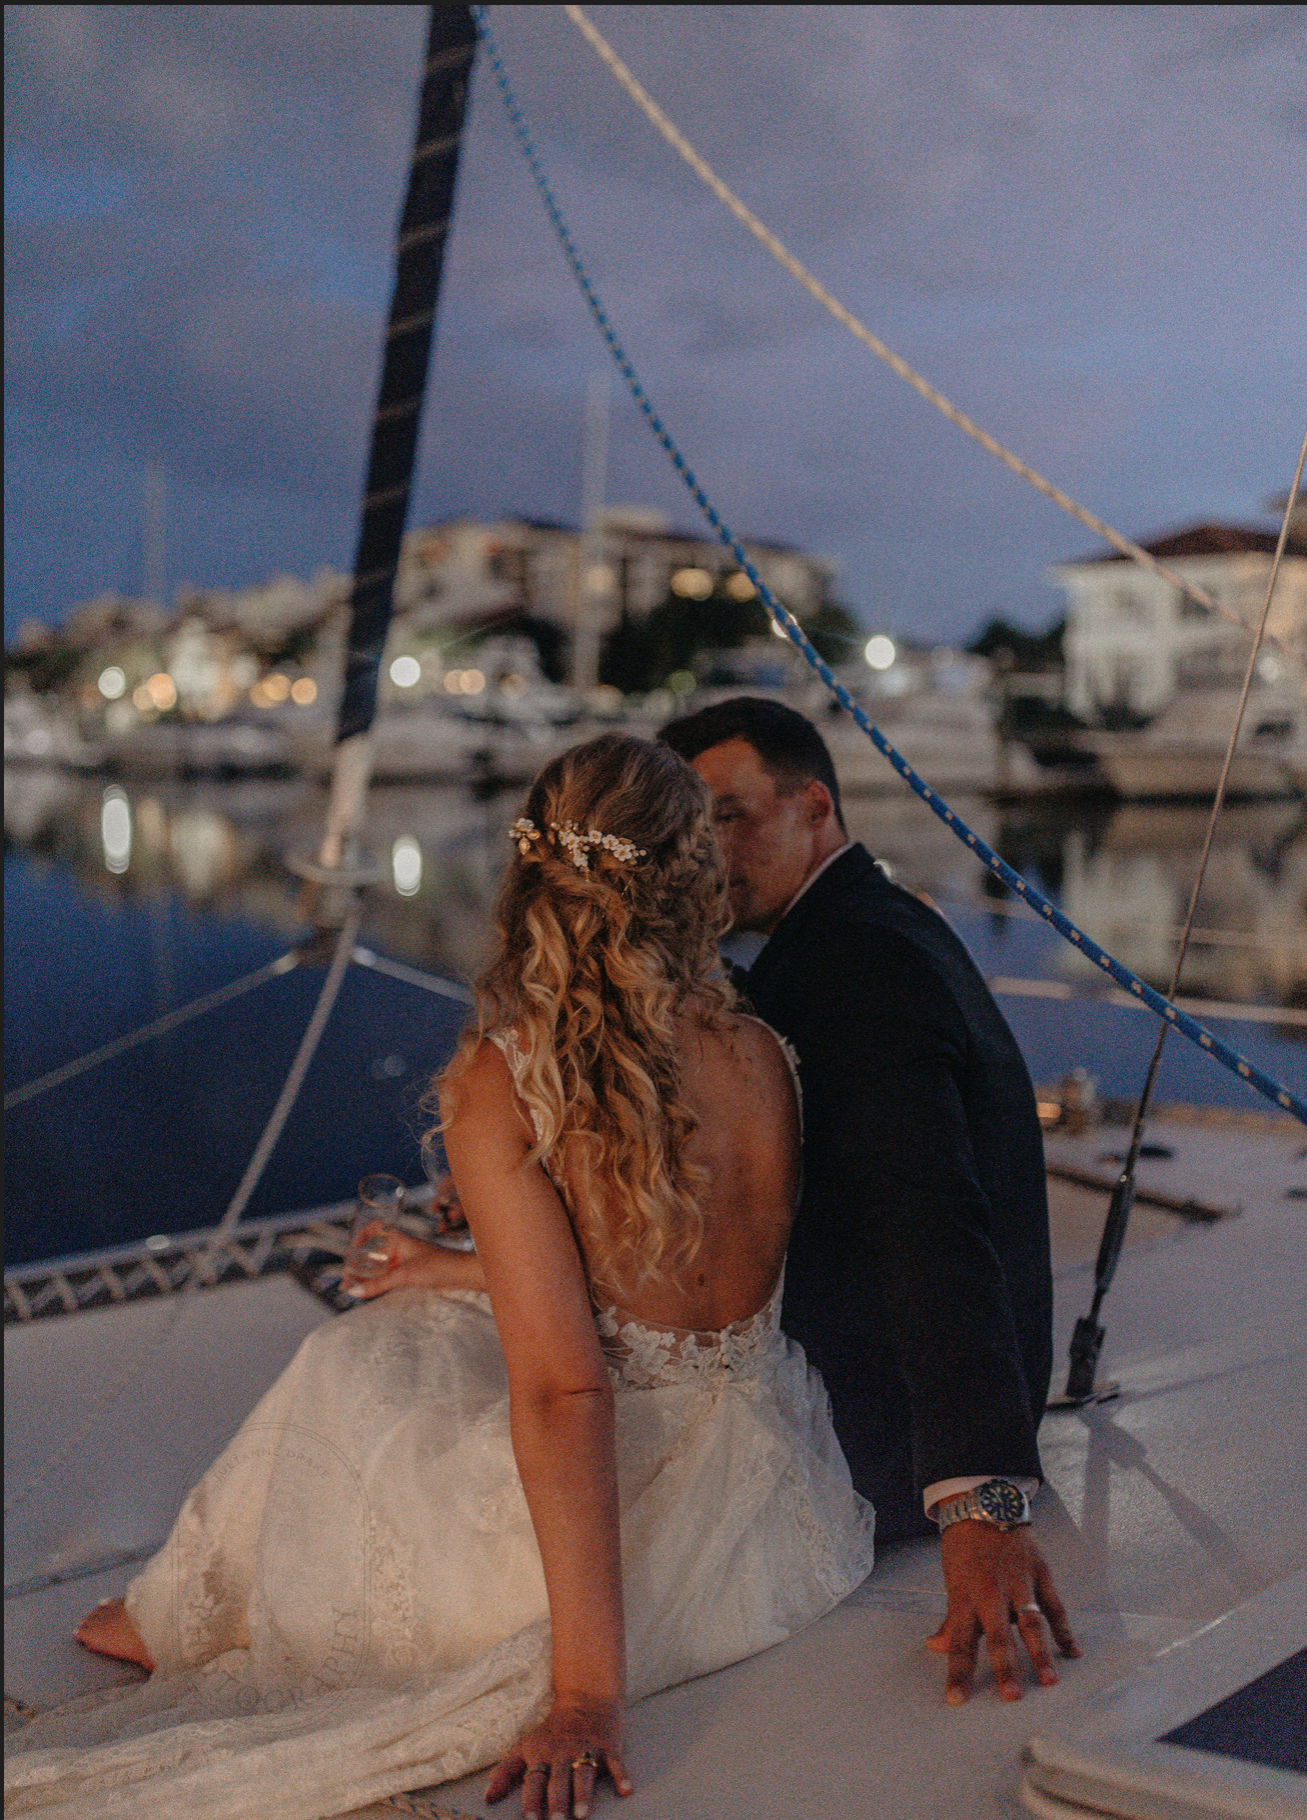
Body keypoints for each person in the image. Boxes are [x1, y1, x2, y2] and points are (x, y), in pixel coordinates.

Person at [13, 734, 874, 1820]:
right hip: (774, 1502)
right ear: (688, 867)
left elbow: (570, 1392)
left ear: (533, 874)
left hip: (626, 1522)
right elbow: (659, 1297)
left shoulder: (511, 1076)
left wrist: (585, 1692)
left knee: (356, 1353)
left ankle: (177, 1615)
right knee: (425, 1310)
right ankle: (183, 1606)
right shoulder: (759, 1045)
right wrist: (451, 1266)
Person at [659, 697, 1080, 1707]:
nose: (708, 852)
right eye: (687, 829)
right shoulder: (863, 926)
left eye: (730, 815)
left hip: (881, 1438)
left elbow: (929, 1217)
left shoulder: (853, 960)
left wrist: (978, 1501)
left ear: (813, 804)